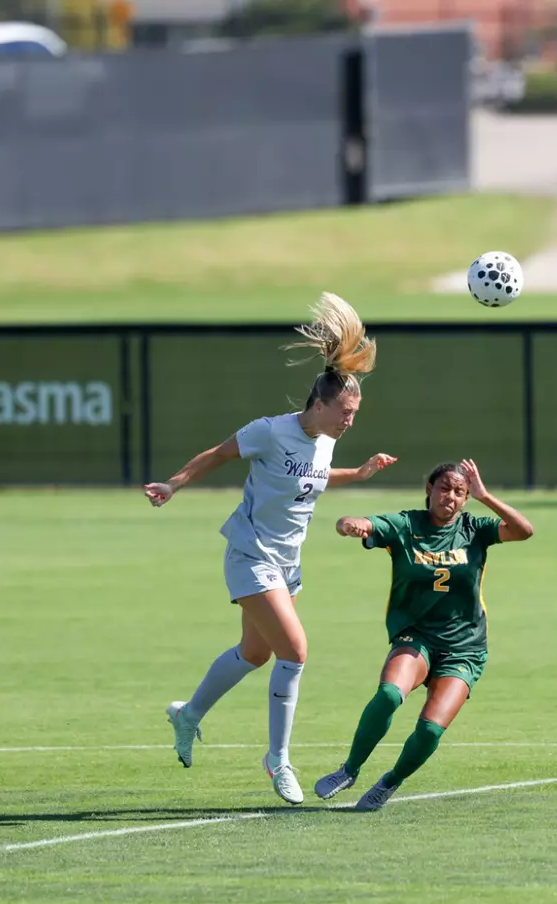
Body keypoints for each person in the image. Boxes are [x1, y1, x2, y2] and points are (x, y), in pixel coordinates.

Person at [144, 292, 397, 805]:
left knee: (255, 653)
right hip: (250, 553)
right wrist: (173, 484)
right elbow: (218, 454)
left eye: (355, 412)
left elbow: (314, 477)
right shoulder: (270, 432)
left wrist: (358, 473)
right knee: (295, 652)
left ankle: (188, 714)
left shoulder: (326, 441)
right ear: (319, 404)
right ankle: (278, 760)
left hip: (288, 562)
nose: (350, 420)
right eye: (345, 411)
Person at [315, 458, 533, 811]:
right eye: (444, 488)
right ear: (429, 489)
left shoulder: (475, 528)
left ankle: (390, 782)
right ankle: (349, 769)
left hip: (464, 648)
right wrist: (349, 525)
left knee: (430, 729)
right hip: (417, 636)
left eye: (459, 492)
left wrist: (485, 496)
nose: (451, 497)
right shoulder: (406, 525)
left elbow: (524, 531)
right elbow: (359, 523)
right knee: (389, 694)